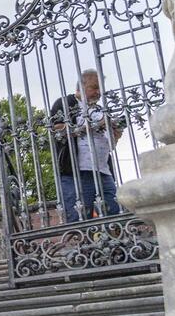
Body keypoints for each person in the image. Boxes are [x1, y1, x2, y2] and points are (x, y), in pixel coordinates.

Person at [51, 70, 123, 223]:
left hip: (103, 171)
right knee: (81, 218)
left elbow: (110, 146)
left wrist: (115, 135)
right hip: (77, 173)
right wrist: (94, 125)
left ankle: (116, 244)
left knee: (116, 213)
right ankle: (84, 246)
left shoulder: (98, 109)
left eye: (100, 90)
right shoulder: (65, 103)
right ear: (82, 87)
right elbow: (57, 129)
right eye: (94, 88)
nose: (98, 93)